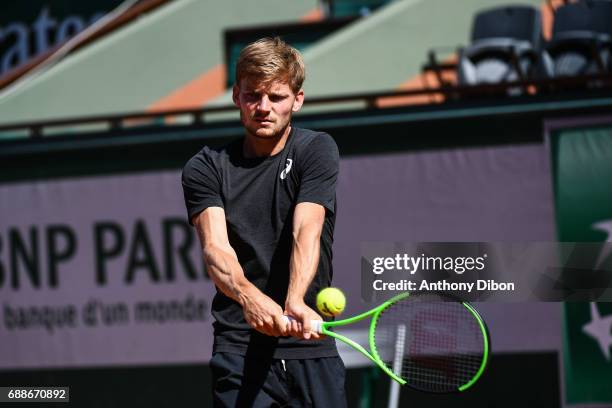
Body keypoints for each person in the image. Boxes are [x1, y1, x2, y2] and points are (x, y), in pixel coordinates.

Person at [182, 37, 346, 407]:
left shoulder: (316, 150)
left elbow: (307, 228)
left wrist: (295, 300)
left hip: (310, 349)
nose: (263, 108)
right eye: (253, 95)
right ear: (237, 96)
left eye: (277, 98)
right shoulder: (205, 167)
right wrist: (249, 297)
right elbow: (216, 250)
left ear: (297, 100)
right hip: (239, 351)